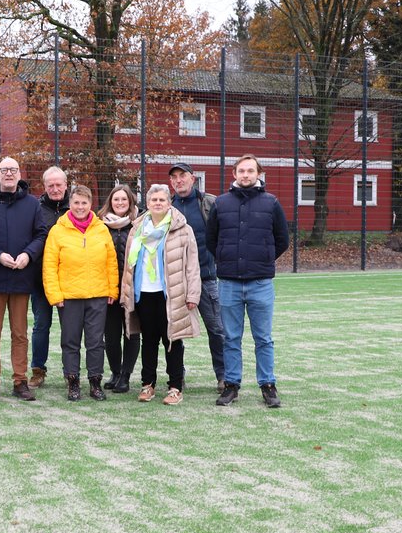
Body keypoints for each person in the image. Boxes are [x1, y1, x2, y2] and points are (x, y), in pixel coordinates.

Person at [207, 154, 290, 408]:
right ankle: (231, 385)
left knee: (263, 338)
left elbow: (282, 239)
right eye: (241, 171)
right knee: (231, 338)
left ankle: (267, 385)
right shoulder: (220, 204)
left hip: (260, 283)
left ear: (258, 174)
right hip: (229, 283)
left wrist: (263, 259)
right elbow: (212, 241)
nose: (245, 175)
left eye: (250, 171)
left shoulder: (271, 203)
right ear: (234, 174)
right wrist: (226, 259)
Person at [0, 156, 48, 402]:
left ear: (19, 174)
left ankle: (20, 381)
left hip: (22, 277)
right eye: (5, 170)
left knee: (20, 333)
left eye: (13, 170)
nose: (9, 174)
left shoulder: (32, 204)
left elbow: (41, 234)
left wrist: (28, 254)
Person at [119, 184, 201, 406]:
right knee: (148, 341)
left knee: (172, 341)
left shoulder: (182, 229)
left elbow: (192, 265)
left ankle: (175, 387)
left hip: (172, 294)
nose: (157, 203)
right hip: (144, 294)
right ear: (148, 203)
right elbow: (129, 263)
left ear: (169, 202)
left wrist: (192, 294)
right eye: (153, 199)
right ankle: (148, 385)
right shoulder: (137, 229)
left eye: (162, 200)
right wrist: (125, 294)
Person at [42, 185, 117, 401]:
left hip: (98, 295)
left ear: (90, 204)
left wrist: (112, 289)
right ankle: (73, 382)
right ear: (70, 204)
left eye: (84, 203)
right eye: (76, 203)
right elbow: (49, 265)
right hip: (69, 297)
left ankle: (95, 382)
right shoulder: (58, 230)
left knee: (95, 342)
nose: (80, 207)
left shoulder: (101, 229)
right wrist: (55, 295)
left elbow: (111, 261)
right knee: (70, 341)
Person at [169, 162, 227, 395]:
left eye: (182, 176)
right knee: (175, 332)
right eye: (174, 177)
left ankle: (223, 376)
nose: (178, 180)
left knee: (217, 329)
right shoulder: (166, 207)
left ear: (193, 179)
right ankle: (177, 376)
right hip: (175, 282)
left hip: (206, 279)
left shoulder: (209, 204)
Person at [29, 165, 69, 389]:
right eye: (50, 185)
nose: (55, 189)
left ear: (66, 185)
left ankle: (69, 370)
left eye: (58, 185)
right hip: (40, 279)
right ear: (44, 187)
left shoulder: (76, 207)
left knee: (69, 329)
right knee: (41, 325)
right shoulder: (35, 209)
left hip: (69, 281)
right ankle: (38, 369)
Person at [98, 185, 140, 393]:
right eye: (116, 200)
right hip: (108, 289)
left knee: (131, 332)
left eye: (124, 199)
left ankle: (126, 375)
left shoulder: (139, 224)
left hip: (132, 289)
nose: (120, 203)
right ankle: (115, 372)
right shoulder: (100, 225)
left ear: (130, 202)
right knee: (111, 335)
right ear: (110, 202)